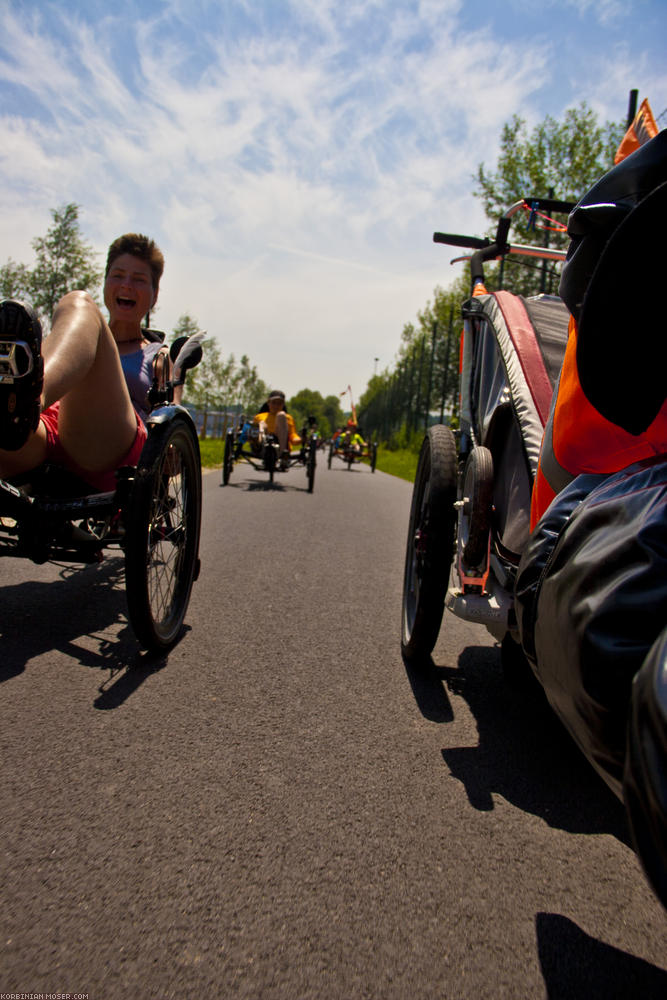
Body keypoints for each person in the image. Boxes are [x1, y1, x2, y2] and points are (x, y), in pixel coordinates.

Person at [0, 232, 178, 492]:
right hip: (44, 429)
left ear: (155, 294)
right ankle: (18, 407)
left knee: (78, 302)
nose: (126, 285)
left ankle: (29, 398)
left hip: (111, 451)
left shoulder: (157, 355)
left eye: (138, 280)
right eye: (117, 275)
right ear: (106, 283)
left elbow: (173, 423)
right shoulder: (71, 334)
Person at [252, 390, 301, 470]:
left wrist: (300, 439)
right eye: (274, 402)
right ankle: (263, 448)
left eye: (279, 403)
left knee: (281, 415)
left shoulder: (287, 418)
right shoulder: (259, 416)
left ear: (283, 405)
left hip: (280, 444)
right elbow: (252, 433)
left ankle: (283, 456)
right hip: (262, 443)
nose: (276, 406)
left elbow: (293, 435)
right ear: (268, 403)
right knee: (261, 423)